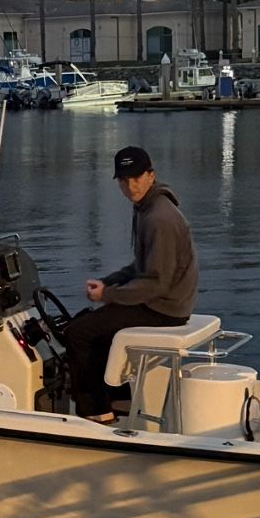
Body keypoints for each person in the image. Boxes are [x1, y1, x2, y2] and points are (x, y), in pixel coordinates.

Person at [63, 146, 199, 423]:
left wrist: (108, 295)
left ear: (151, 175)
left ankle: (95, 413)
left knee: (78, 332)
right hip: (164, 300)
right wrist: (109, 282)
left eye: (136, 178)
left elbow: (156, 284)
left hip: (164, 307)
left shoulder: (159, 217)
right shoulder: (147, 207)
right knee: (91, 324)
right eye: (124, 180)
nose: (130, 186)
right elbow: (142, 267)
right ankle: (119, 400)